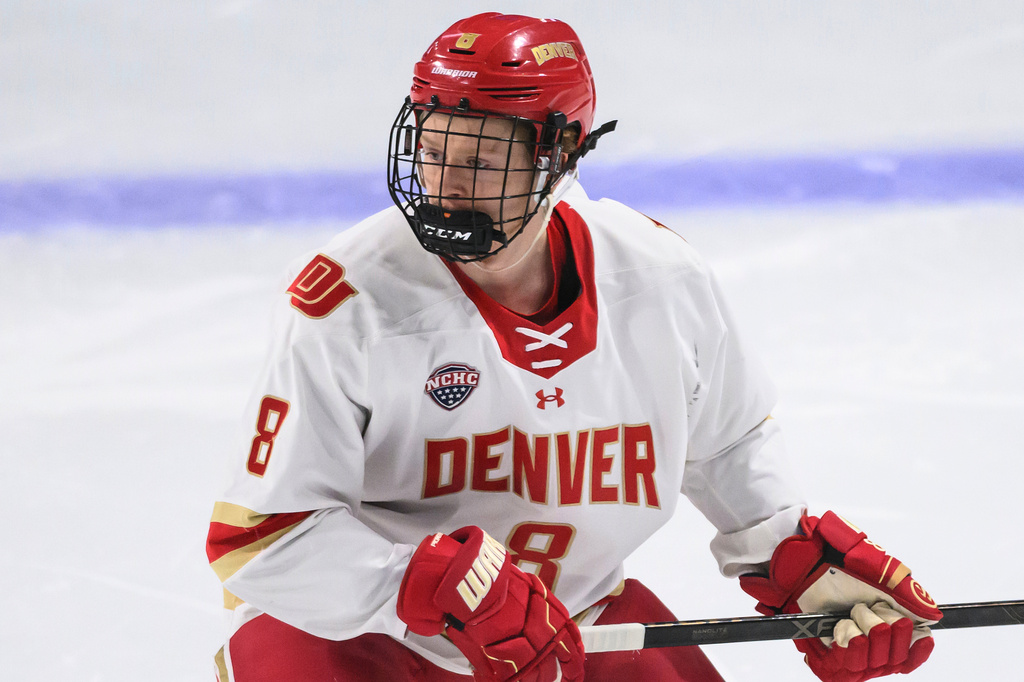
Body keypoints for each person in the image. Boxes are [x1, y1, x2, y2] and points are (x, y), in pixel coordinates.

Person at [206, 12, 942, 682]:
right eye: (432, 150)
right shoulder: (347, 302)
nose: (443, 188)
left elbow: (723, 444)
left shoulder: (658, 278)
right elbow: (261, 541)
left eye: (482, 162)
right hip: (365, 638)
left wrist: (794, 559)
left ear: (559, 153)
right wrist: (415, 583)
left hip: (575, 627)